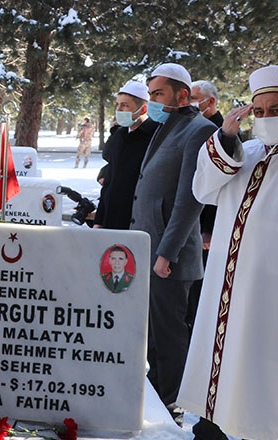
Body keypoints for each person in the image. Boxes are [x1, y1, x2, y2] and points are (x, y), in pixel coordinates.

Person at [177, 65, 278, 440]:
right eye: (260, 111)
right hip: (227, 284)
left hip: (266, 287)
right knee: (225, 367)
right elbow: (204, 188)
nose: (266, 118)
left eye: (275, 110)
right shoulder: (246, 151)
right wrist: (227, 136)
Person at [130, 63, 215, 423]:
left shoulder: (199, 129)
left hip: (170, 255)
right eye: (150, 95)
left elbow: (188, 200)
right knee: (152, 335)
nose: (152, 102)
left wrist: (167, 252)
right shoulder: (167, 126)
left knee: (169, 335)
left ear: (183, 95)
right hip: (147, 248)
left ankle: (172, 404)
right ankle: (156, 395)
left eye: (158, 94)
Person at [93, 81, 158, 230]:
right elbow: (109, 181)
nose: (119, 110)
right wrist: (100, 219)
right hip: (112, 218)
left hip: (138, 220)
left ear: (143, 109)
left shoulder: (154, 136)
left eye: (125, 105)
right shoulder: (119, 134)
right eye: (117, 105)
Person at [186, 80, 223, 335]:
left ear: (210, 102)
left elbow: (218, 186)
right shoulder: (196, 126)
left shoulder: (221, 131)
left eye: (195, 98)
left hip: (206, 227)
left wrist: (207, 228)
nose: (190, 103)